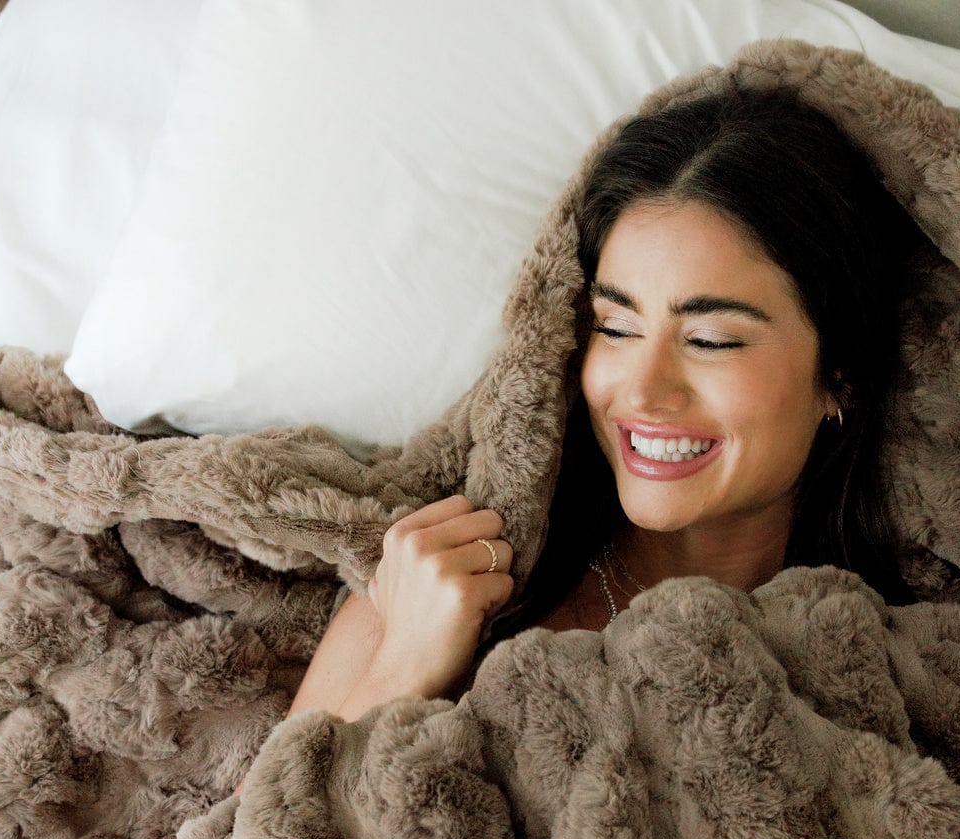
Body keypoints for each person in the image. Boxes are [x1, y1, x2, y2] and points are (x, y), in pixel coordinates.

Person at [288, 82, 921, 724]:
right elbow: (283, 791)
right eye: (615, 328)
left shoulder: (891, 667)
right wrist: (406, 667)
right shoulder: (430, 579)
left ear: (839, 377)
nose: (642, 391)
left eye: (710, 340)